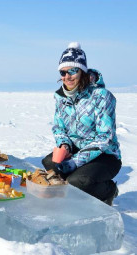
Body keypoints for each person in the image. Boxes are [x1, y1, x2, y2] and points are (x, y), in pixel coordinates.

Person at [41, 42, 122, 206]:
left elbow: (104, 138)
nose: (67, 76)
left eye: (73, 70)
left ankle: (108, 190)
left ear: (82, 71)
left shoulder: (101, 96)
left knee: (76, 181)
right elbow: (58, 127)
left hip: (105, 155)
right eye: (63, 72)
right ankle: (72, 195)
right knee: (49, 164)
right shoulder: (61, 97)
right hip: (76, 150)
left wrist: (74, 162)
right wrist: (65, 145)